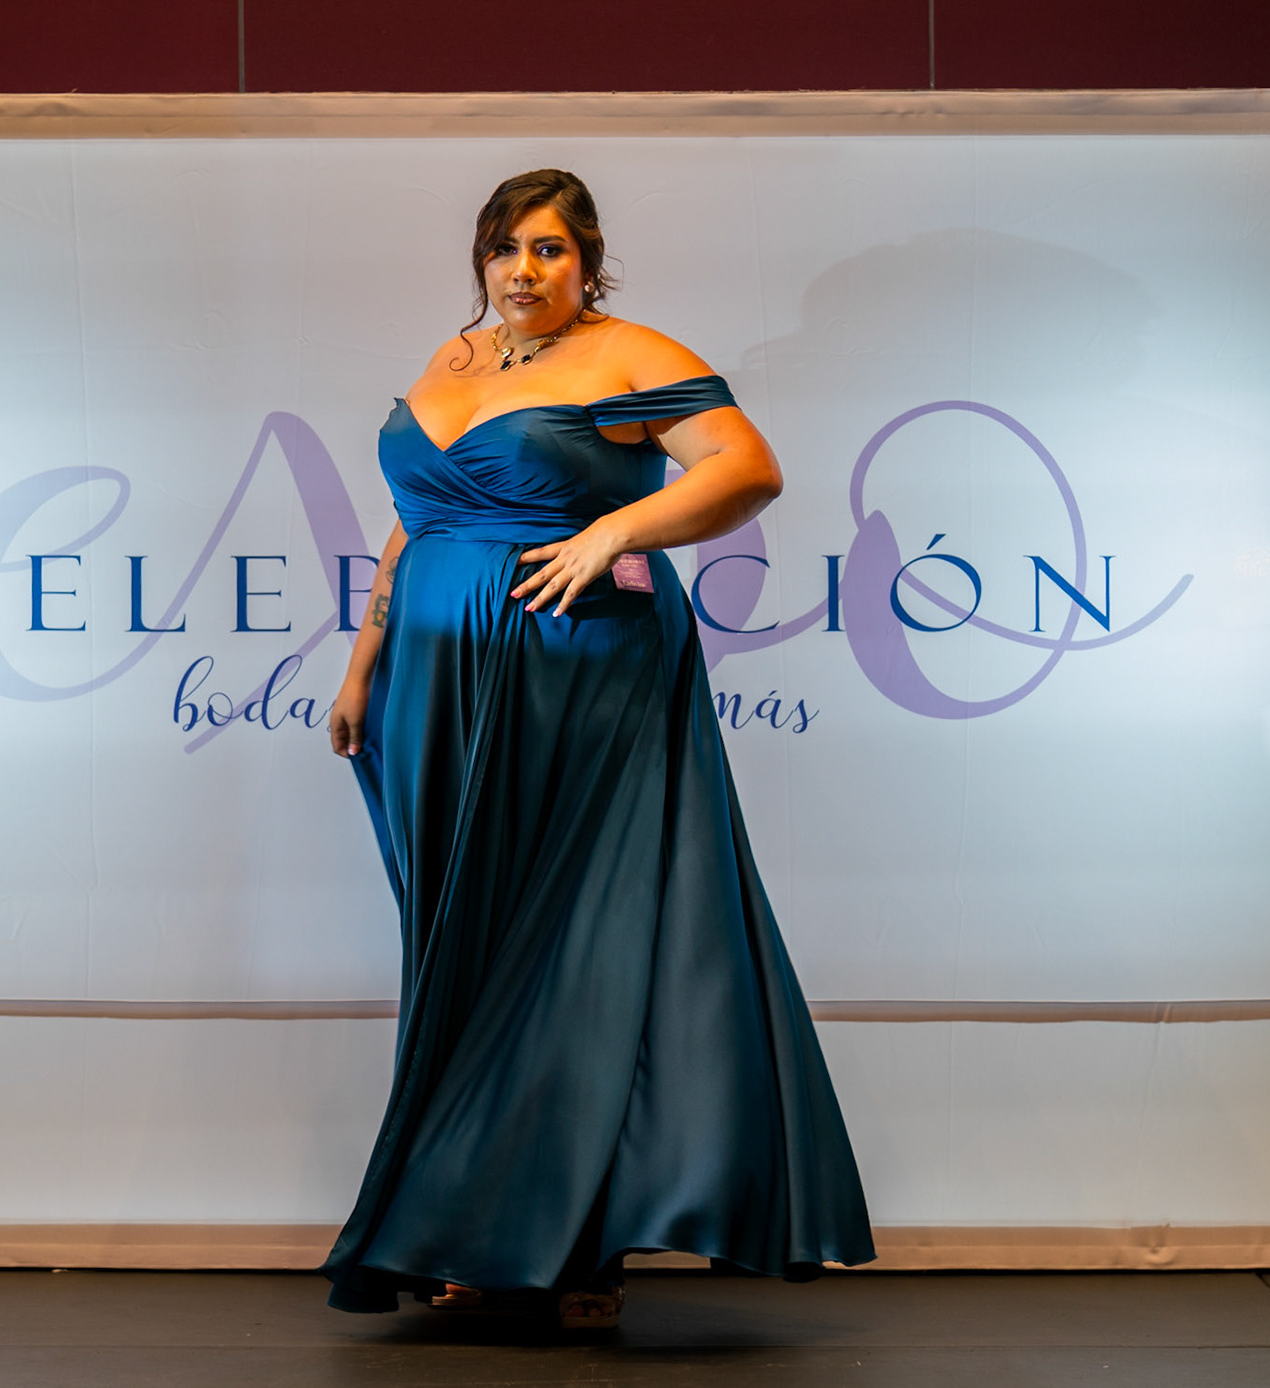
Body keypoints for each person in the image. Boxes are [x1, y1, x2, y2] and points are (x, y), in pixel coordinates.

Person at [323, 169, 874, 1327]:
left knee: (575, 942)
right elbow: (416, 519)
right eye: (504, 248)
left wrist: (612, 528)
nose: (522, 270)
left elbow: (747, 467)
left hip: (578, 668)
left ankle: (576, 1244)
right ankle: (471, 1218)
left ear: (587, 260)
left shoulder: (628, 355)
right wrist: (365, 660)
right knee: (466, 943)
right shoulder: (454, 358)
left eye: (548, 249)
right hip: (434, 682)